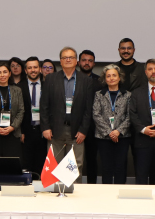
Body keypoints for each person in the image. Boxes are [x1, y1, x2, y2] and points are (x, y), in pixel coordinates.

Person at [40, 47, 94, 169]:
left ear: (76, 61)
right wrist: (45, 127)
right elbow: (44, 105)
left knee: (74, 167)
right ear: (60, 61)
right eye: (65, 57)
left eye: (71, 57)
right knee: (54, 166)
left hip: (77, 131)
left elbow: (88, 108)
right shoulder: (51, 78)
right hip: (54, 130)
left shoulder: (86, 81)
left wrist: (83, 130)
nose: (68, 60)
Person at [92, 65, 131, 184]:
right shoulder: (99, 94)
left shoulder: (128, 95)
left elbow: (130, 116)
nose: (111, 78)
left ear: (119, 78)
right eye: (108, 76)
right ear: (105, 79)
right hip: (103, 137)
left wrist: (118, 131)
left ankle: (120, 190)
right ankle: (106, 192)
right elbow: (96, 114)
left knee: (120, 167)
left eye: (114, 75)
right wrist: (109, 132)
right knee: (106, 167)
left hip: (122, 137)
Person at [20, 57, 46, 176]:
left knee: (41, 165)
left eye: (35, 67)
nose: (33, 70)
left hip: (43, 132)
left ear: (40, 69)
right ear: (25, 70)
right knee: (26, 165)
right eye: (30, 68)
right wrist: (21, 131)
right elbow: (17, 111)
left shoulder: (47, 86)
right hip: (26, 132)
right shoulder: (19, 87)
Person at [78, 49, 101, 183]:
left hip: (93, 126)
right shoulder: (72, 79)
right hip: (76, 125)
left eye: (90, 61)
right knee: (74, 160)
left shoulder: (100, 82)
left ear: (94, 64)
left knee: (92, 159)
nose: (87, 63)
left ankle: (92, 185)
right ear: (78, 62)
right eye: (84, 60)